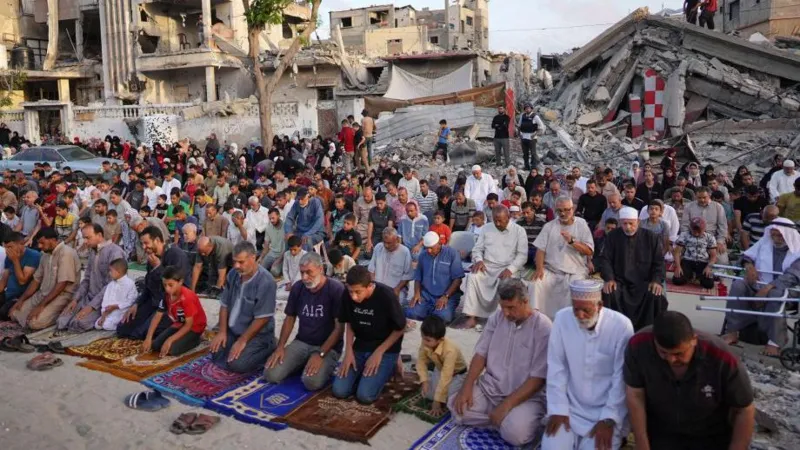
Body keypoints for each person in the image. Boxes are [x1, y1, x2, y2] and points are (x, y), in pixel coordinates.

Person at [624, 311, 755, 449]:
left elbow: (744, 410)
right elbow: (635, 395)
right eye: (663, 352)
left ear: (694, 340)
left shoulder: (722, 357)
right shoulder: (639, 345)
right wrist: (642, 445)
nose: (671, 360)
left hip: (710, 436)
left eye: (679, 353)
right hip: (661, 433)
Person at [450, 279, 550, 446]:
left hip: (525, 398)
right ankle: (499, 420)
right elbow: (480, 354)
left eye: (511, 308)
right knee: (458, 409)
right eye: (502, 307)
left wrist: (507, 405)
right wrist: (467, 386)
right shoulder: (497, 318)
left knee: (515, 435)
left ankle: (508, 420)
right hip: (491, 388)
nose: (505, 313)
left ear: (525, 302)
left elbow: (538, 379)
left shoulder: (543, 327)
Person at [542, 279, 634, 450]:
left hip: (605, 412)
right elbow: (557, 367)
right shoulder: (562, 319)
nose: (580, 315)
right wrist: (558, 409)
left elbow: (620, 379)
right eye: (576, 309)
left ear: (600, 305)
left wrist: (609, 419)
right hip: (570, 408)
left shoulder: (621, 326)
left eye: (586, 310)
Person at [264, 252, 344, 391]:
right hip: (302, 342)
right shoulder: (298, 287)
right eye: (302, 273)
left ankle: (318, 363)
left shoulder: (335, 289)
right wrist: (281, 347)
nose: (305, 277)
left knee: (310, 382)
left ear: (320, 269)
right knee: (271, 374)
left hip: (327, 347)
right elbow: (290, 318)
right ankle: (302, 361)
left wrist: (321, 354)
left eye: (309, 272)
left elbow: (339, 329)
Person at [722, 218, 800, 357]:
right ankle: (733, 331)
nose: (776, 238)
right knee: (738, 285)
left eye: (780, 235)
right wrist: (749, 266)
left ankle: (775, 342)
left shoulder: (798, 249)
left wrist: (768, 288)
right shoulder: (766, 242)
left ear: (788, 234)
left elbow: (792, 276)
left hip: (789, 290)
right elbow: (746, 256)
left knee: (775, 294)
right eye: (773, 234)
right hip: (760, 285)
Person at [333, 266, 405, 404]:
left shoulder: (386, 295)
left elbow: (400, 328)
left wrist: (379, 352)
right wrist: (348, 351)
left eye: (358, 292)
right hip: (360, 345)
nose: (353, 297)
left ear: (369, 286)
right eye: (350, 291)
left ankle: (391, 365)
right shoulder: (346, 295)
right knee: (339, 391)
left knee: (364, 396)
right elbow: (349, 322)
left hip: (385, 348)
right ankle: (365, 373)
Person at [210, 242, 278, 373]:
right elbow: (224, 304)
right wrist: (222, 331)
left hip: (258, 334)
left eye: (241, 262)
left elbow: (263, 318)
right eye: (235, 262)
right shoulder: (233, 275)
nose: (236, 266)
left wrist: (243, 340)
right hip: (234, 330)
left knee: (237, 365)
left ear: (253, 258)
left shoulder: (266, 281)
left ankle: (268, 347)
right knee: (215, 352)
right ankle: (237, 343)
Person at [117, 226, 191, 339]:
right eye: (142, 244)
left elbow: (177, 289)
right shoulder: (152, 257)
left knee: (142, 333)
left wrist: (158, 267)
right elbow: (148, 287)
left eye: (146, 243)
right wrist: (136, 304)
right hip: (154, 303)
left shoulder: (176, 255)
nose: (144, 247)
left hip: (171, 305)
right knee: (123, 328)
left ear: (157, 240)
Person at [600, 207, 666, 331]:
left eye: (631, 223)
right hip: (620, 282)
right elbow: (605, 260)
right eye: (625, 223)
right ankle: (614, 330)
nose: (628, 227)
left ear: (638, 222)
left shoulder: (651, 237)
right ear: (620, 223)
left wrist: (656, 281)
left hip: (644, 282)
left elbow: (659, 263)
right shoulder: (613, 236)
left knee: (654, 294)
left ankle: (647, 331)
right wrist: (609, 278)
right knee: (609, 292)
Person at [462, 205, 528, 328]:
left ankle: (502, 318)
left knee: (508, 281)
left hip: (507, 267)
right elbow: (477, 249)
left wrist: (510, 269)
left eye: (500, 220)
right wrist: (479, 260)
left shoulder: (519, 231)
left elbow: (522, 255)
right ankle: (471, 316)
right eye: (495, 220)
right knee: (473, 277)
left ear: (508, 217)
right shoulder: (486, 228)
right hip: (487, 265)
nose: (497, 223)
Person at [56, 224, 126, 333]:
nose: (85, 241)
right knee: (62, 321)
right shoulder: (93, 251)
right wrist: (76, 299)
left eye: (88, 238)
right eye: (84, 238)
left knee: (78, 323)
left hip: (104, 302)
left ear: (99, 235)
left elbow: (111, 285)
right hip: (88, 297)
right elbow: (87, 279)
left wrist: (92, 307)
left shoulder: (115, 252)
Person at [532, 197, 594, 319]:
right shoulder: (549, 226)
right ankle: (539, 322)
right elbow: (540, 250)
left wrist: (572, 241)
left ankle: (568, 323)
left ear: (573, 209)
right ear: (555, 210)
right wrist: (539, 268)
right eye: (560, 210)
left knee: (575, 289)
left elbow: (589, 250)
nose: (563, 213)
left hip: (575, 270)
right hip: (551, 269)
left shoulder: (581, 224)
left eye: (567, 210)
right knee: (535, 284)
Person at [8, 228, 81, 330]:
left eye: (42, 243)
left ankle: (61, 313)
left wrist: (41, 306)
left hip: (63, 295)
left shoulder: (66, 253)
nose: (39, 246)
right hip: (44, 293)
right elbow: (36, 280)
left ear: (52, 239)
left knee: (34, 323)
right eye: (38, 243)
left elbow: (62, 283)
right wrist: (20, 301)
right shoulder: (45, 256)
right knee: (14, 314)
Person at [142, 265, 207, 357]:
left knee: (171, 350)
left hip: (194, 326)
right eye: (165, 285)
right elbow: (157, 316)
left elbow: (188, 325)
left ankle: (197, 339)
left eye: (170, 285)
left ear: (180, 282)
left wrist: (170, 340)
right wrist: (148, 338)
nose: (167, 289)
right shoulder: (166, 295)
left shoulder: (187, 297)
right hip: (179, 323)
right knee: (156, 346)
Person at [406, 231, 465, 323]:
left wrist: (446, 296)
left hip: (447, 295)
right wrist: (417, 294)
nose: (429, 251)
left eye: (431, 248)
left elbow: (458, 279)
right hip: (427, 295)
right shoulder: (423, 255)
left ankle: (434, 312)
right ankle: (431, 311)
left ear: (439, 243)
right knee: (411, 313)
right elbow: (418, 277)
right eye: (427, 248)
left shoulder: (452, 254)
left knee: (442, 317)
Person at [417, 315, 467, 416]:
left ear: (440, 340)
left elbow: (446, 376)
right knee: (428, 394)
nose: (423, 342)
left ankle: (467, 384)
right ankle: (431, 375)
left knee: (449, 400)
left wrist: (437, 401)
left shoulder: (450, 350)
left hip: (457, 374)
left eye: (427, 340)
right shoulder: (425, 342)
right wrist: (424, 380)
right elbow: (421, 361)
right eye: (422, 337)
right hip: (439, 369)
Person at [681, 186, 729, 264]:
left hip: (714, 238)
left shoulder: (718, 207)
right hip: (693, 237)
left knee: (722, 261)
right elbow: (685, 226)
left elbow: (723, 227)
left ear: (709, 195)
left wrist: (720, 242)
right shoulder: (689, 206)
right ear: (696, 196)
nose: (702, 200)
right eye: (699, 198)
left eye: (704, 197)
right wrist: (687, 240)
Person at [0, 232, 41, 319]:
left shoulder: (33, 256)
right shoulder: (9, 257)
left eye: (10, 247)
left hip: (21, 296)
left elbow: (22, 281)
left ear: (21, 244)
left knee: (3, 313)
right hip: (8, 294)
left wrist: (15, 260)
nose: (7, 250)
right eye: (6, 247)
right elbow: (4, 280)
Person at [368, 227, 414, 304]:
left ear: (396, 240)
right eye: (384, 242)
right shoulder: (378, 247)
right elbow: (371, 270)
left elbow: (407, 275)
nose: (386, 245)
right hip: (378, 286)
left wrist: (397, 289)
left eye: (389, 243)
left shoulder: (404, 252)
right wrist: (373, 285)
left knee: (395, 304)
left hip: (395, 288)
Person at [672, 217, 717, 289]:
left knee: (708, 284)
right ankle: (690, 276)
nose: (696, 233)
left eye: (699, 231)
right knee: (677, 280)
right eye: (694, 230)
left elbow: (713, 256)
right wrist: (678, 267)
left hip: (703, 262)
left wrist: (708, 267)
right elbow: (677, 252)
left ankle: (699, 276)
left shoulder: (710, 237)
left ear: (704, 229)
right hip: (687, 261)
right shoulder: (684, 235)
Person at [95, 258, 138, 330]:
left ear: (119, 272)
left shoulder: (130, 284)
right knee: (97, 325)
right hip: (108, 313)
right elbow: (105, 301)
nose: (109, 273)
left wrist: (116, 306)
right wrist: (103, 315)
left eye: (111, 271)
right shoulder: (111, 285)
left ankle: (120, 325)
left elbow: (131, 301)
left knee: (106, 325)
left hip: (121, 312)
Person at [284, 187, 325, 252]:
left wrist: (308, 233)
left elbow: (319, 220)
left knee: (305, 241)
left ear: (308, 196)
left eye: (302, 199)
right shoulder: (297, 203)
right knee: (289, 239)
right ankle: (287, 259)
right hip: (300, 231)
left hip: (316, 232)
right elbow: (289, 217)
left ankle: (306, 260)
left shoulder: (316, 202)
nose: (300, 201)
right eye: (299, 199)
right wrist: (288, 231)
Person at [517, 103, 545, 170]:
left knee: (533, 153)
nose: (527, 109)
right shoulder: (522, 116)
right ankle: (526, 166)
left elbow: (542, 126)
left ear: (531, 109)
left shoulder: (535, 116)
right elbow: (519, 125)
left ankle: (534, 166)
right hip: (524, 137)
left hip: (532, 137)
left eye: (528, 108)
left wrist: (535, 134)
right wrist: (519, 134)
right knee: (525, 153)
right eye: (526, 108)